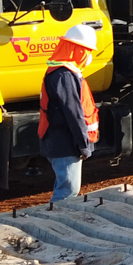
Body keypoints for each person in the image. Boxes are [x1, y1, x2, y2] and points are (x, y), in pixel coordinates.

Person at [39, 24, 100, 201]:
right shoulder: (64, 75)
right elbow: (74, 113)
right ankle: (53, 226)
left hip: (61, 140)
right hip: (64, 142)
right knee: (67, 192)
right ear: (78, 51)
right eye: (87, 51)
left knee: (67, 188)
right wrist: (83, 144)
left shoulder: (62, 72)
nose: (89, 57)